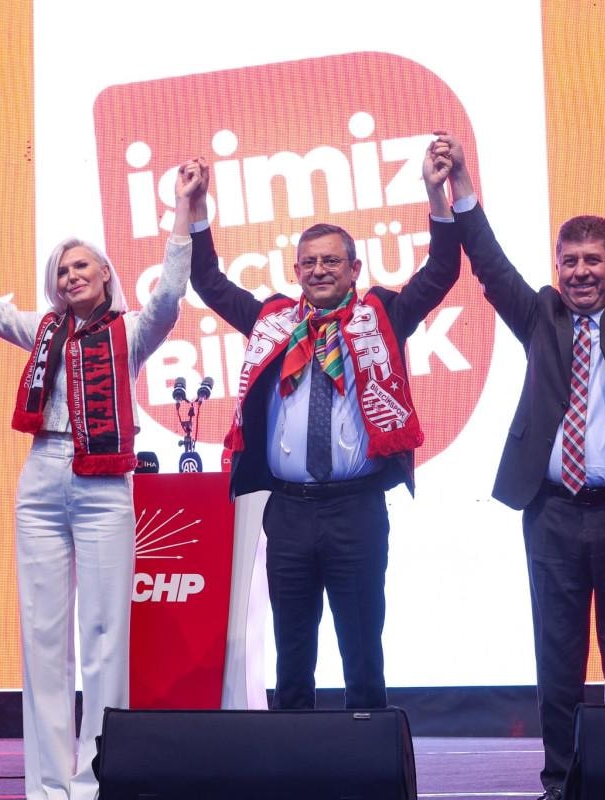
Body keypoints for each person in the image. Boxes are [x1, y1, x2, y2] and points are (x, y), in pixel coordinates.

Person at [438, 118, 605, 799]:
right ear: (556, 268)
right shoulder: (540, 315)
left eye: (594, 261)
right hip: (553, 516)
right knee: (556, 663)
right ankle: (561, 784)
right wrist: (463, 187)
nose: (581, 272)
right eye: (570, 261)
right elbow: (491, 264)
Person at [0, 161, 199, 800]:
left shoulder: (131, 332)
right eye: (61, 271)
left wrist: (182, 210)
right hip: (41, 476)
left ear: (107, 273)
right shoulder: (43, 332)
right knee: (42, 637)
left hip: (104, 486)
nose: (70, 276)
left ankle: (96, 780)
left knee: (106, 634)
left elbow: (170, 294)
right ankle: (48, 786)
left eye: (82, 265)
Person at [186, 142, 460, 711]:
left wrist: (437, 196)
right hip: (287, 512)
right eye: (309, 263)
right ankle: (294, 759)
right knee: (292, 658)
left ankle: (368, 757)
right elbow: (209, 282)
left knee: (362, 653)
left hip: (356, 510)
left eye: (331, 261)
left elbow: (441, 273)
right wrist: (197, 210)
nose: (319, 270)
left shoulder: (382, 316)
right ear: (296, 272)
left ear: (354, 269)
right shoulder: (272, 321)